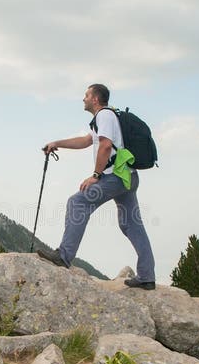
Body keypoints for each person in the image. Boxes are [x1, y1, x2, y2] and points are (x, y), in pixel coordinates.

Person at [37, 83, 156, 289]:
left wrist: (95, 175)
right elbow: (85, 140)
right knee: (131, 224)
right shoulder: (105, 118)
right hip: (127, 177)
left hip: (115, 177)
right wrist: (57, 143)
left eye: (86, 95)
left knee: (78, 202)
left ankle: (63, 256)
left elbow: (105, 145)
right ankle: (147, 276)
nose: (83, 99)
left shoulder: (104, 116)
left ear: (95, 99)